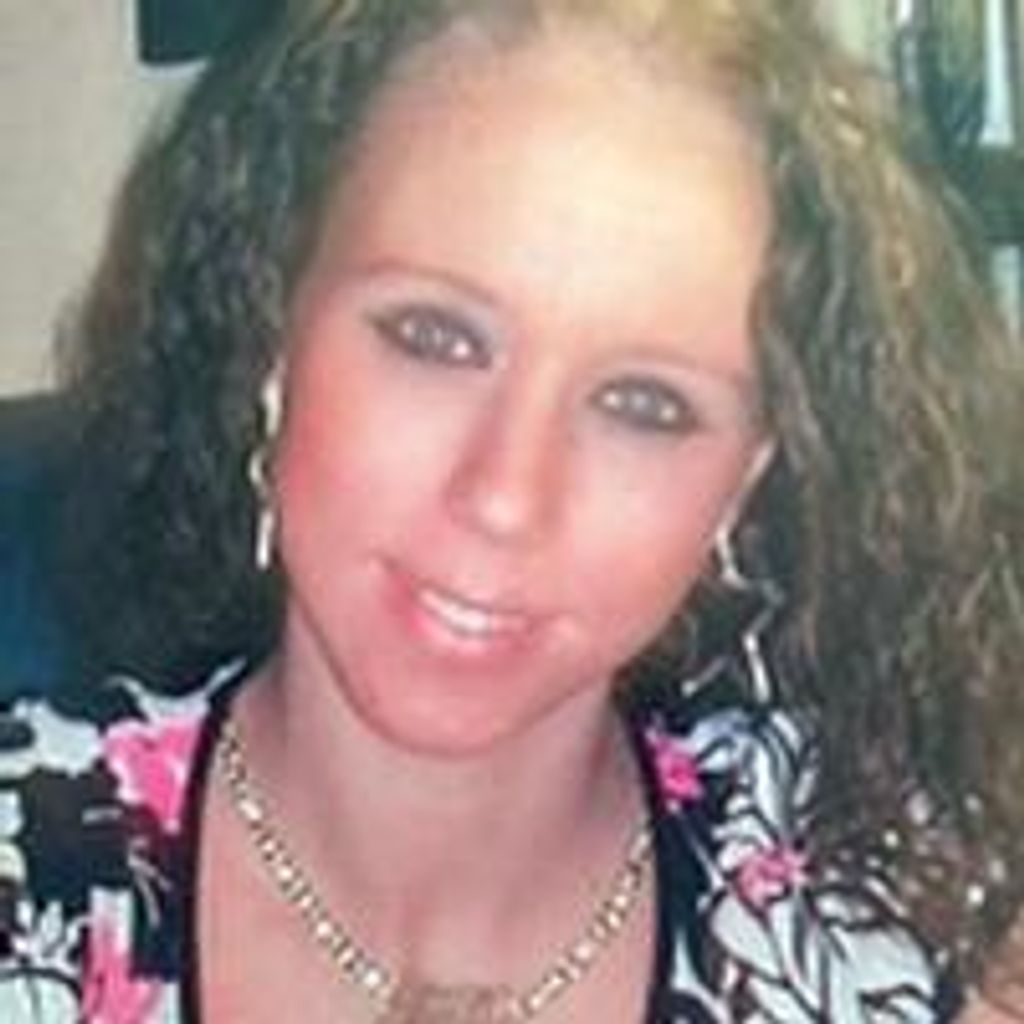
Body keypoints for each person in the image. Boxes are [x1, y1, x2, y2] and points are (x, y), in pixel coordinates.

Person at [0, 0, 1019, 1020]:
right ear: (275, 322)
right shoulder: (24, 865)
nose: (505, 495)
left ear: (744, 478)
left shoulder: (910, 915)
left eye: (643, 405)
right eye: (434, 338)